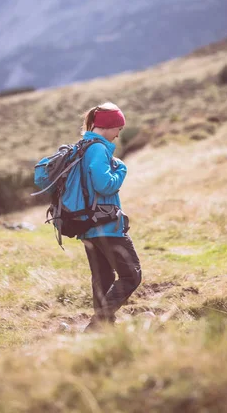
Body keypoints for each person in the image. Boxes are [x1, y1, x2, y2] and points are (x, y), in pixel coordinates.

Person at [77, 102, 142, 331]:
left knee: (102, 278)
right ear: (108, 126)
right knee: (131, 275)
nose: (118, 134)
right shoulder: (97, 149)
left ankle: (104, 330)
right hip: (104, 224)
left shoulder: (82, 146)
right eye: (118, 129)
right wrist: (121, 170)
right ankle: (97, 325)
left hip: (87, 226)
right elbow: (104, 185)